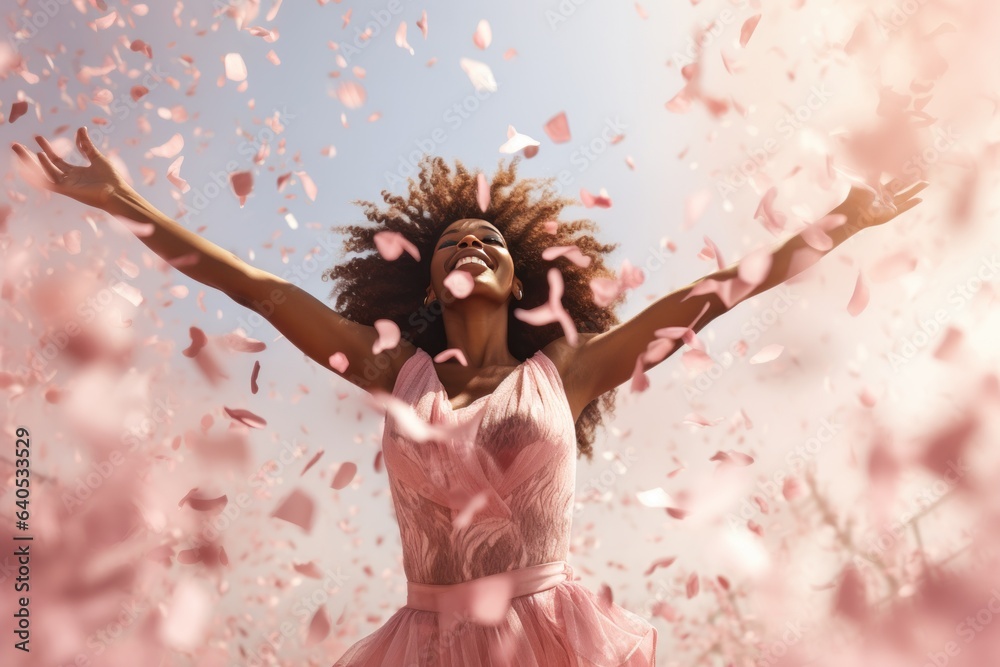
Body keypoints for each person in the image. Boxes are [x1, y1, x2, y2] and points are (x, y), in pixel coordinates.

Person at [11, 127, 926, 666]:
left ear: (515, 278)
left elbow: (725, 288)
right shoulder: (387, 366)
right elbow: (256, 287)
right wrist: (126, 200)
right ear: (423, 280)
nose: (469, 246)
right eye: (450, 242)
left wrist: (847, 213)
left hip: (553, 639)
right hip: (424, 643)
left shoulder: (568, 372)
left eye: (488, 239)